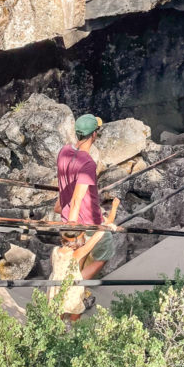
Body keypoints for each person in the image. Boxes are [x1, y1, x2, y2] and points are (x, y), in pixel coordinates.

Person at [50, 114, 117, 320]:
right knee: (105, 252)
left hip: (68, 220)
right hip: (85, 222)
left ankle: (70, 303)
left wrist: (63, 210)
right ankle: (70, 289)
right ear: (94, 135)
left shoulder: (64, 151)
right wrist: (74, 228)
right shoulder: (88, 163)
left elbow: (64, 181)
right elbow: (78, 198)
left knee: (75, 260)